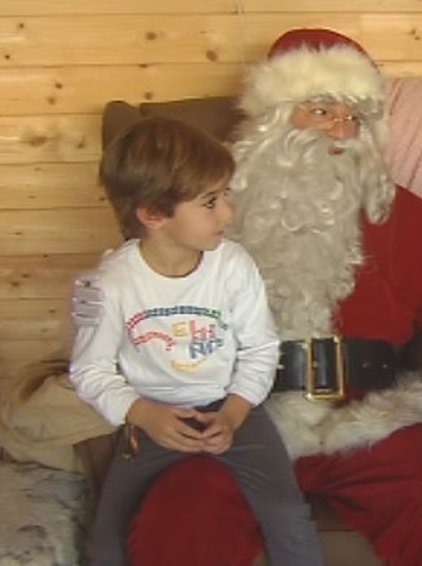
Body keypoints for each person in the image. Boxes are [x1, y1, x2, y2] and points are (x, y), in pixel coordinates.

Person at [72, 28, 422, 566]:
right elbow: (150, 283)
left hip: (367, 416)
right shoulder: (211, 211)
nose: (341, 130)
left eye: (356, 117)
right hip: (235, 416)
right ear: (275, 115)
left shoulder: (402, 215)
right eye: (322, 109)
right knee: (178, 520)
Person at [69, 117, 323, 566]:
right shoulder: (111, 284)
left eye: (226, 195)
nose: (228, 213)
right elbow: (91, 370)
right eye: (210, 202)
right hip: (151, 417)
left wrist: (234, 413)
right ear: (153, 214)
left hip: (234, 408)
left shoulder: (234, 266)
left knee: (288, 518)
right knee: (106, 544)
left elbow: (261, 350)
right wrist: (144, 415)